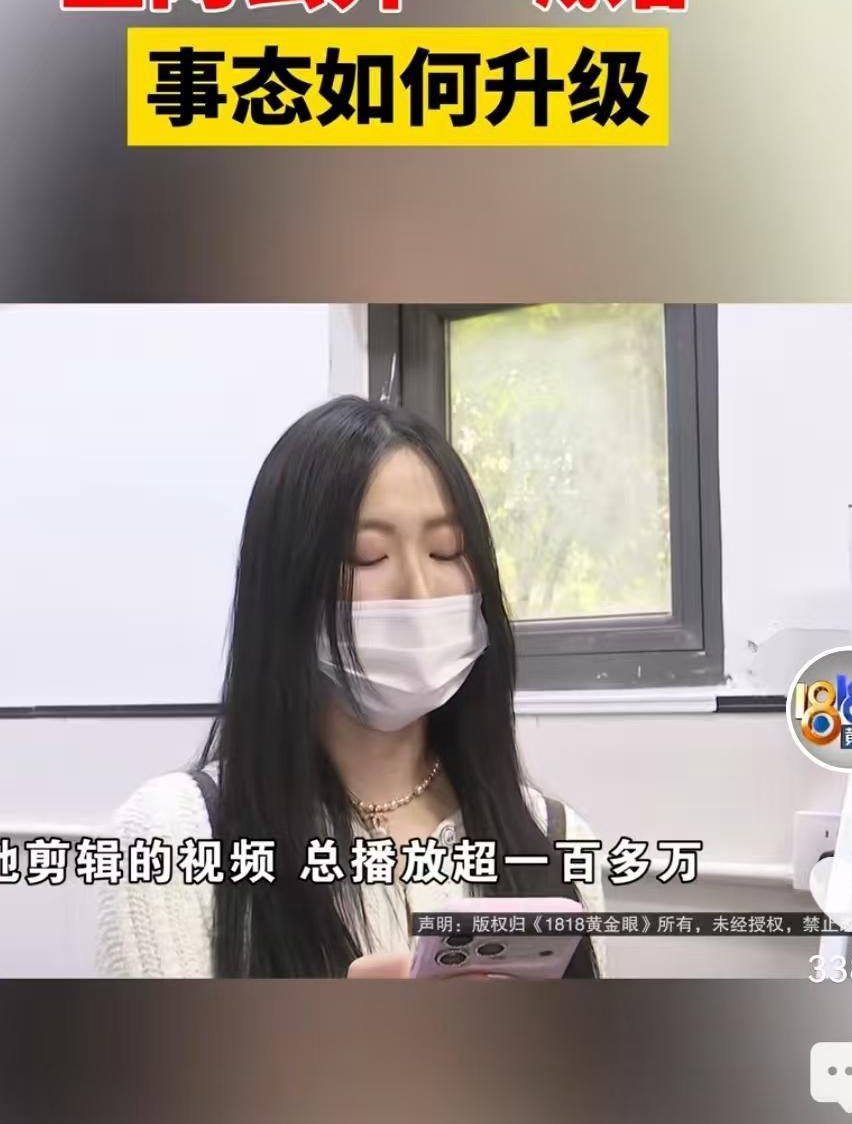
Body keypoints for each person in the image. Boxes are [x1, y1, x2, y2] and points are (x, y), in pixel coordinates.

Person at [96, 395, 605, 978]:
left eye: (447, 551)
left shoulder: (556, 839)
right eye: (367, 557)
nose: (418, 590)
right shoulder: (170, 837)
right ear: (287, 586)